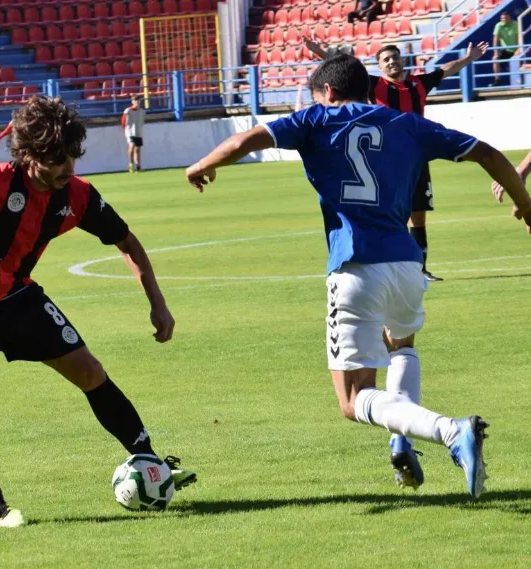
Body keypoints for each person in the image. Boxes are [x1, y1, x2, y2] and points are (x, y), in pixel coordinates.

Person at [184, 55, 531, 498]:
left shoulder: (317, 118)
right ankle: (400, 438)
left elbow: (249, 138)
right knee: (402, 343)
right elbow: (486, 152)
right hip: (408, 266)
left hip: (355, 267)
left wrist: (202, 164)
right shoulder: (406, 123)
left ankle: (450, 431)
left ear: (327, 92)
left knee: (352, 401)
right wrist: (525, 201)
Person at [0, 96, 196, 529]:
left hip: (19, 298)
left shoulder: (77, 196)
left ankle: (152, 463)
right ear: (27, 156)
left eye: (71, 159)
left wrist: (158, 304)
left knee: (90, 371)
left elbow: (127, 242)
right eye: (55, 160)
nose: (66, 169)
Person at [304, 38, 489, 282]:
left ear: (403, 60)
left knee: (419, 214)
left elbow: (445, 69)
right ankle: (391, 266)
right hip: (385, 157)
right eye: (386, 59)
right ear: (380, 66)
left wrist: (469, 57)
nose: (392, 62)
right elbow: (343, 69)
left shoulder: (419, 83)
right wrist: (319, 51)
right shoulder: (374, 85)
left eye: (395, 57)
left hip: (415, 156)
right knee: (391, 212)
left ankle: (421, 270)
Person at [491, 12, 520, 86]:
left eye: (506, 18)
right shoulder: (498, 25)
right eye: (502, 18)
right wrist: (495, 52)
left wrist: (518, 49)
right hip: (504, 50)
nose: (504, 19)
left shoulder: (515, 24)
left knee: (517, 62)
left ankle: (518, 82)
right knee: (495, 58)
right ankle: (497, 80)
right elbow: (495, 40)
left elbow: (518, 37)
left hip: (515, 50)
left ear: (509, 17)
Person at [122, 95, 145, 173]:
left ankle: (138, 165)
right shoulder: (128, 111)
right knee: (131, 147)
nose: (137, 102)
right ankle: (131, 164)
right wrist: (125, 129)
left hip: (138, 131)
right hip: (130, 132)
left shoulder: (142, 111)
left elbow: (141, 121)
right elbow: (123, 121)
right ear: (132, 102)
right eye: (136, 100)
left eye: (139, 101)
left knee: (137, 149)